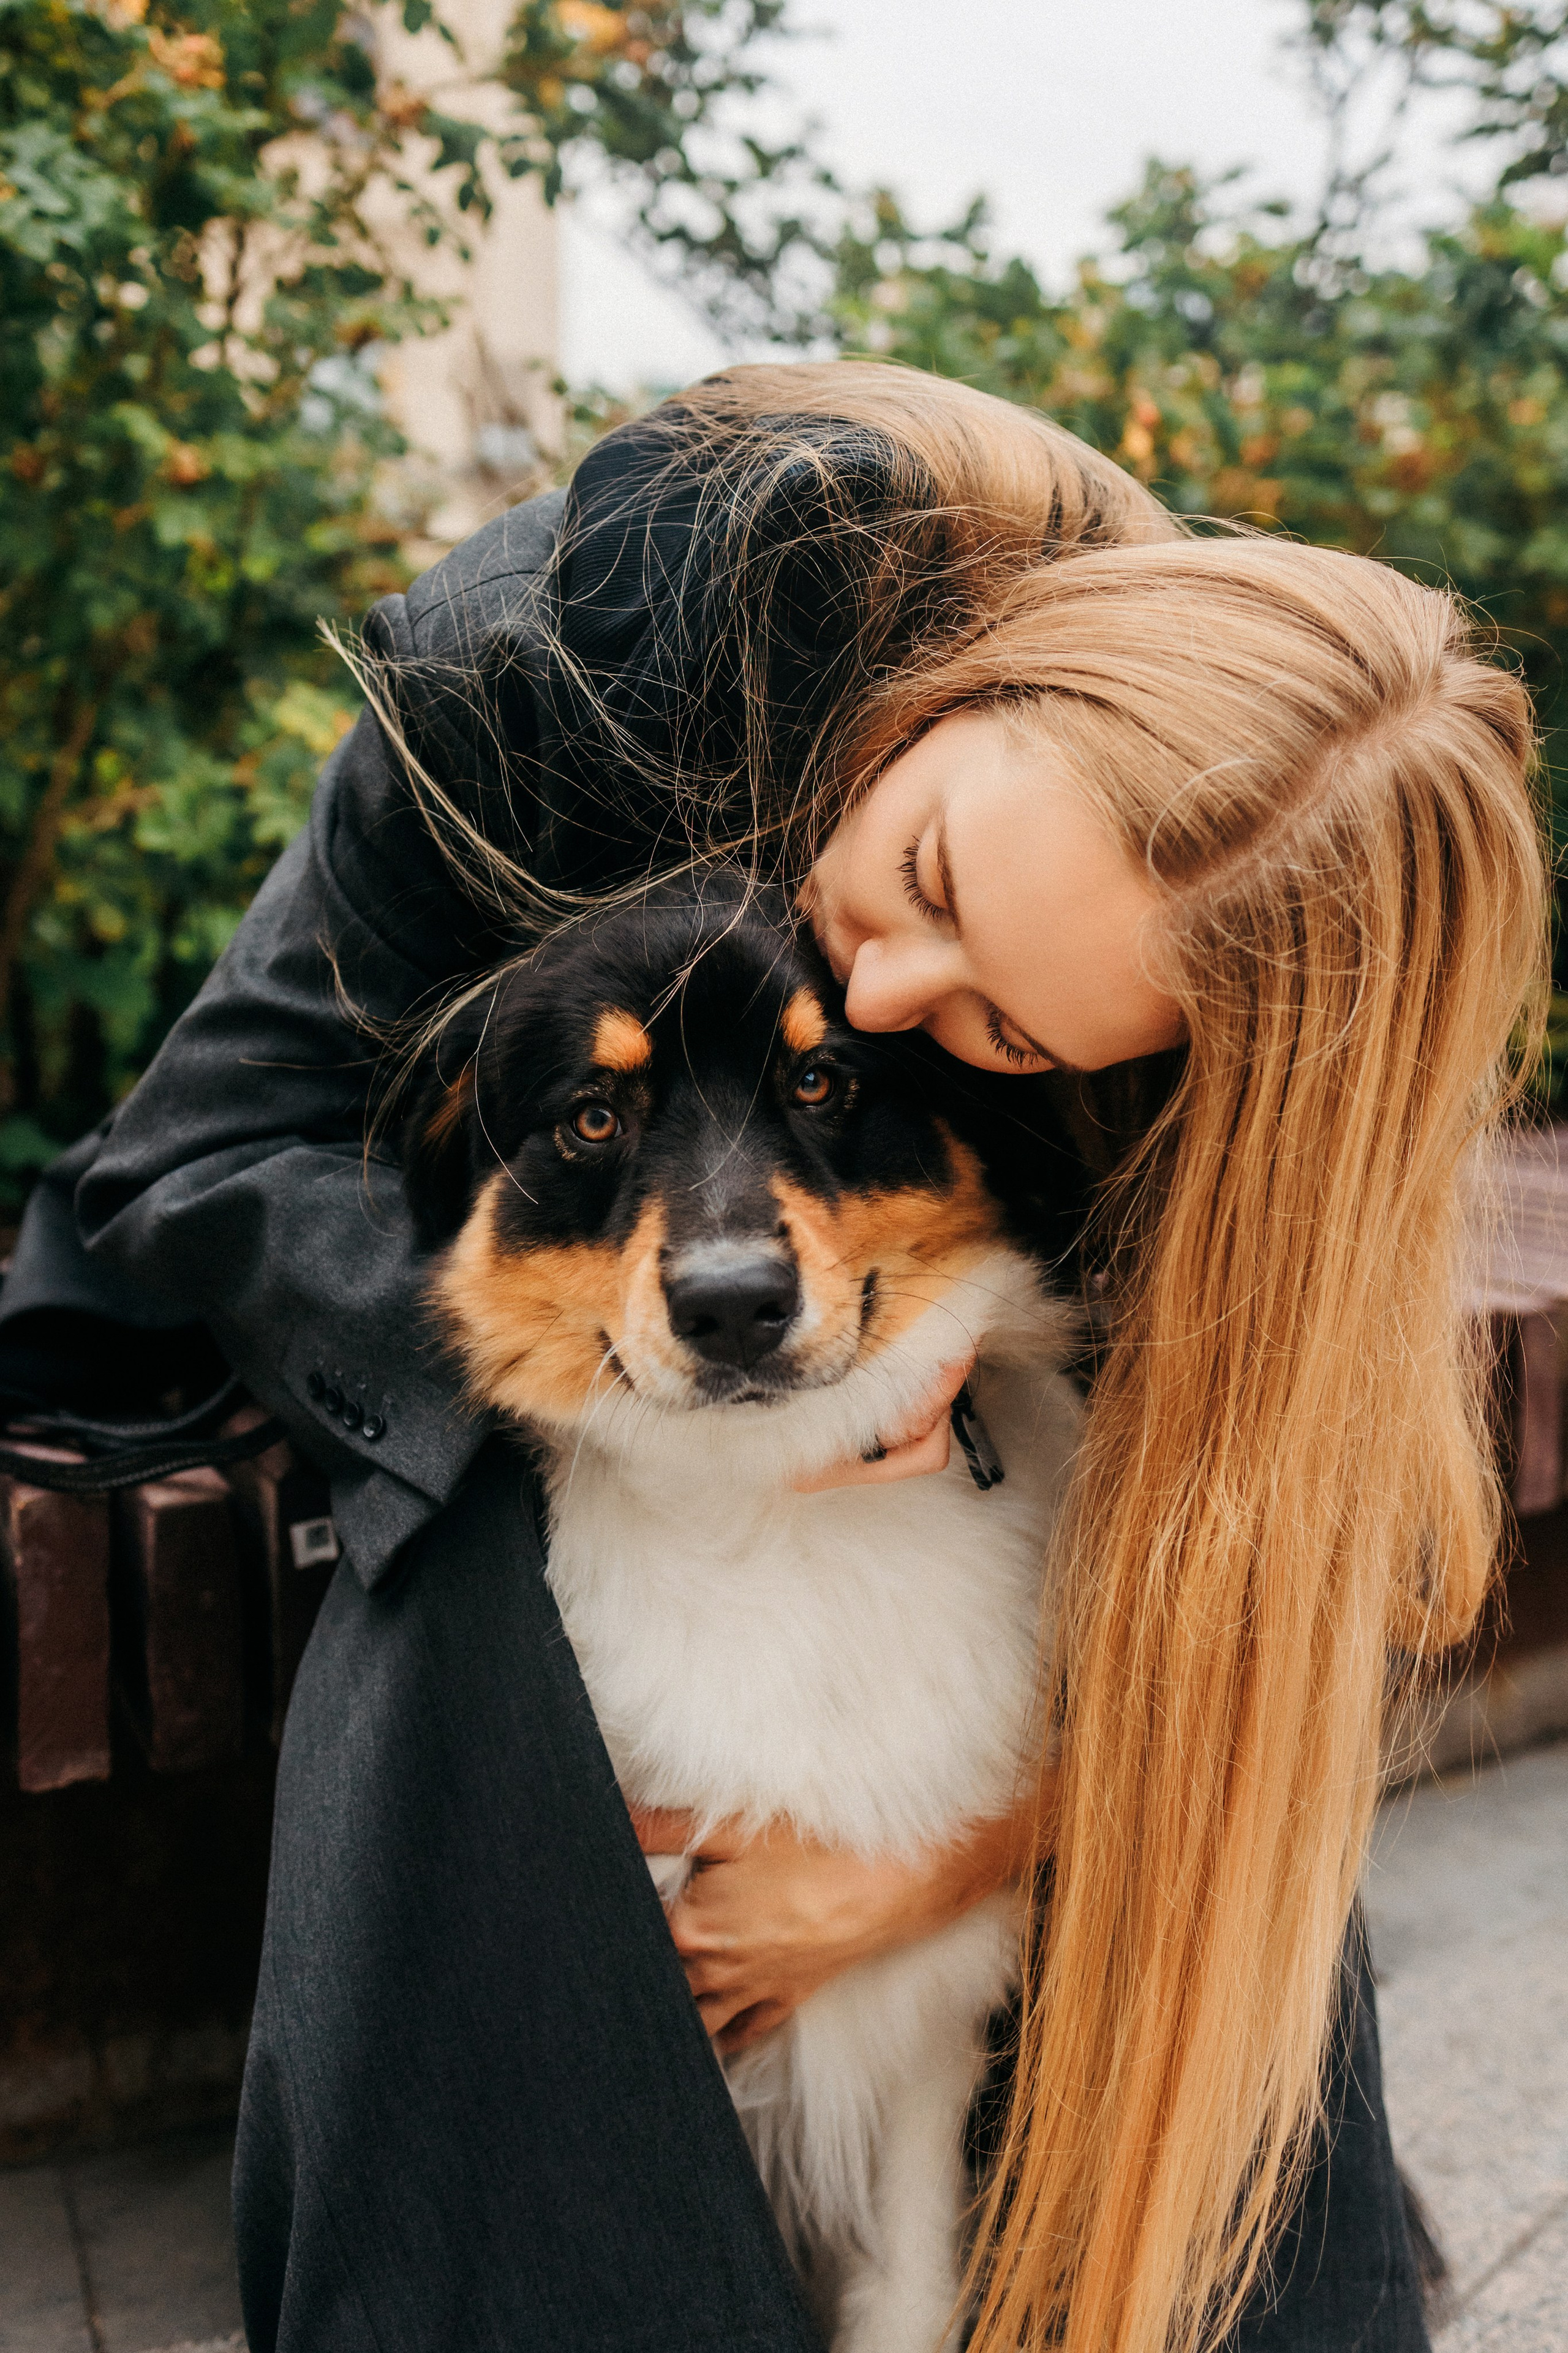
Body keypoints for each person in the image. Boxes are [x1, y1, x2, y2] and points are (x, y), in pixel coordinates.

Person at [2, 363, 1542, 2353]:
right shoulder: (558, 668)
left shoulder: (1220, 989)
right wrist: (570, 1367)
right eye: (923, 884)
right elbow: (201, 1151)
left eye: (1002, 1037)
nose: (892, 995)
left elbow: (1256, 1591)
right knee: (477, 1620)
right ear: (991, 676)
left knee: (1210, 1839)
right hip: (540, 1371)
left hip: (968, 1464)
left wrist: (946, 1857)